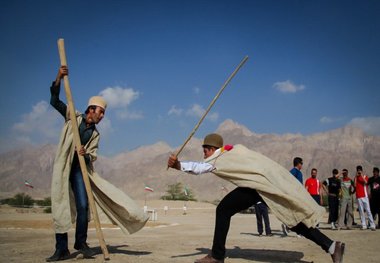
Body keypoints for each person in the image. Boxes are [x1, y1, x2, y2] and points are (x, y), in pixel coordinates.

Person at [167, 133, 345, 263]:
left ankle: (216, 256)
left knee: (223, 210)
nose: (204, 153)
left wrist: (178, 165)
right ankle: (331, 246)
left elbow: (199, 168)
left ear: (212, 149)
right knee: (292, 219)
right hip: (260, 185)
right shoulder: (234, 151)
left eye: (205, 149)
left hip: (256, 187)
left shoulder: (218, 158)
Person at [47, 66, 148, 261]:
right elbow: (54, 101)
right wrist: (59, 77)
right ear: (90, 110)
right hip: (64, 167)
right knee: (61, 206)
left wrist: (84, 155)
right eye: (100, 112)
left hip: (80, 170)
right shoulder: (72, 117)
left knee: (84, 206)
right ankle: (61, 249)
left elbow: (92, 156)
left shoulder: (95, 134)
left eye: (103, 114)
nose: (101, 117)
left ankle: (80, 242)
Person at [355, 166, 376, 230]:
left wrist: (361, 175)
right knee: (361, 211)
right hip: (358, 196)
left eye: (360, 170)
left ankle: (372, 225)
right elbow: (355, 185)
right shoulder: (356, 177)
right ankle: (364, 225)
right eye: (358, 170)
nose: (359, 171)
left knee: (368, 211)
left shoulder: (365, 176)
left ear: (362, 170)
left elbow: (366, 183)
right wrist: (356, 177)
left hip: (365, 196)